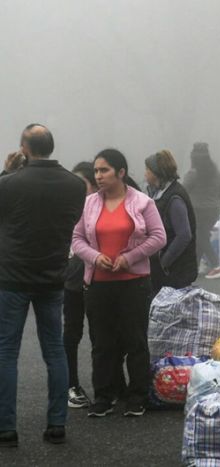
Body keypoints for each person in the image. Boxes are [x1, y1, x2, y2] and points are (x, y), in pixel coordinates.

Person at [0, 124, 86, 447]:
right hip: (52, 276)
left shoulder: (10, 183)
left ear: (24, 148)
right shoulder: (75, 185)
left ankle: (6, 428)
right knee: (54, 350)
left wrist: (6, 172)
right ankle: (56, 424)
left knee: (6, 351)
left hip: (11, 277)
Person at [72, 149, 166, 418]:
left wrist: (130, 258)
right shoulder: (89, 203)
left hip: (133, 283)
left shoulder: (143, 202)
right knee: (102, 343)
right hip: (98, 284)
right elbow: (77, 239)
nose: (98, 176)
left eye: (104, 170)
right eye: (96, 171)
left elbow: (159, 237)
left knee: (135, 340)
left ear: (121, 172)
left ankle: (137, 396)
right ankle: (104, 396)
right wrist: (94, 256)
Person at [63, 162, 98, 410]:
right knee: (72, 331)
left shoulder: (104, 205)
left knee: (104, 333)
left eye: (80, 184)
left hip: (101, 276)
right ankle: (71, 384)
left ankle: (108, 384)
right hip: (73, 277)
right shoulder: (66, 206)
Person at [144, 150, 198, 291]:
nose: (145, 173)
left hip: (175, 271)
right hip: (165, 271)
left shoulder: (174, 198)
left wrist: (164, 262)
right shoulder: (157, 193)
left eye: (148, 170)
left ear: (156, 173)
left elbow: (184, 235)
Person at [182, 142, 220, 279]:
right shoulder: (215, 172)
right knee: (201, 237)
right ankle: (193, 268)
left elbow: (183, 191)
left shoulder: (193, 173)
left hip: (198, 211)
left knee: (200, 237)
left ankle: (216, 265)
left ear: (193, 158)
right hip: (213, 211)